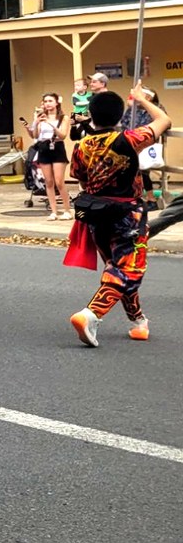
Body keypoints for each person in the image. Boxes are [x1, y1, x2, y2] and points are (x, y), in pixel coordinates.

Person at [66, 85, 171, 347]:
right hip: (127, 215)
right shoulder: (128, 139)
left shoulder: (81, 146)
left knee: (117, 269)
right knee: (129, 270)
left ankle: (138, 321)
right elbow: (164, 121)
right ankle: (91, 314)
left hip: (95, 214)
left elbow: (77, 175)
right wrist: (143, 99)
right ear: (118, 117)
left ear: (91, 115)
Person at [21, 94, 71, 221]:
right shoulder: (41, 117)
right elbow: (35, 135)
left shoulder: (63, 118)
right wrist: (36, 123)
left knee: (59, 181)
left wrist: (51, 124)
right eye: (45, 101)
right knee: (48, 182)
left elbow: (63, 135)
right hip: (43, 147)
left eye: (50, 101)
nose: (48, 104)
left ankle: (67, 210)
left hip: (57, 146)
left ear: (56, 103)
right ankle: (54, 211)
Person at [70, 76, 92, 142]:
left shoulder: (89, 94)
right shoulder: (75, 95)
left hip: (86, 114)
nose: (76, 87)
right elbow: (76, 103)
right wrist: (87, 102)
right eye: (75, 85)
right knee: (77, 130)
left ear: (85, 87)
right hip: (77, 114)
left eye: (78, 85)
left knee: (87, 129)